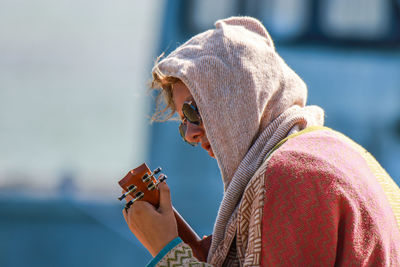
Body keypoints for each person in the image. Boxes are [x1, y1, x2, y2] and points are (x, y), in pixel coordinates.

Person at [122, 16, 400, 266]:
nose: (191, 134)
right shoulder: (334, 150)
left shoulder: (291, 175)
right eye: (183, 124)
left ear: (238, 97)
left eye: (194, 111)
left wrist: (169, 253)